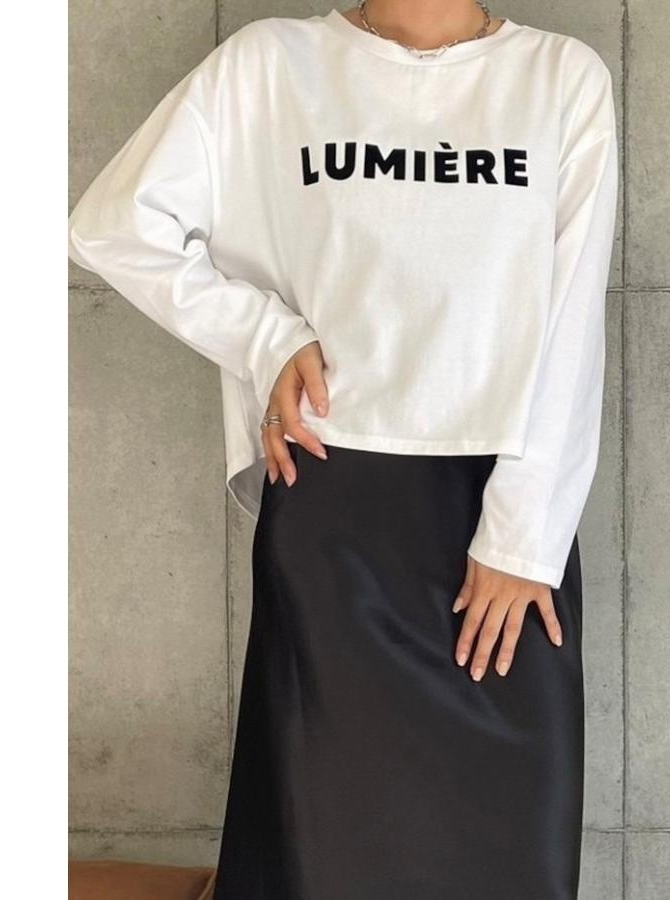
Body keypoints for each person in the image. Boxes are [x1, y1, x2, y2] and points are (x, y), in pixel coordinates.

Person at [67, 1, 619, 897]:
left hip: (502, 512)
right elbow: (114, 225)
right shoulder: (271, 65)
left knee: (509, 854)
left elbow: (573, 321)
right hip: (336, 505)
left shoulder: (562, 77)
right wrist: (265, 337)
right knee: (328, 851)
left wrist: (523, 537)